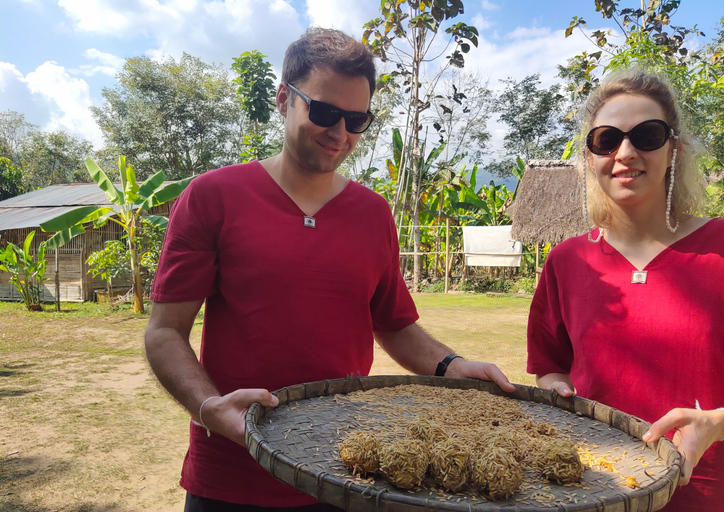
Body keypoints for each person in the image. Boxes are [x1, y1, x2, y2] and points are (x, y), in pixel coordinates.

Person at [144, 27, 515, 512]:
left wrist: (452, 366)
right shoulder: (213, 196)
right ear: (283, 99)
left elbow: (393, 324)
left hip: (343, 471)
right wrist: (209, 409)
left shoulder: (374, 212)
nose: (341, 133)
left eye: (357, 120)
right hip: (233, 471)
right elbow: (164, 333)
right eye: (324, 112)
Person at [526, 69, 724, 512]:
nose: (625, 152)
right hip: (596, 494)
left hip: (716, 496)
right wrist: (560, 392)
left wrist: (720, 422)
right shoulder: (566, 261)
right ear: (589, 155)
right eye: (606, 139)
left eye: (647, 135)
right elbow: (550, 366)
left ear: (674, 149)